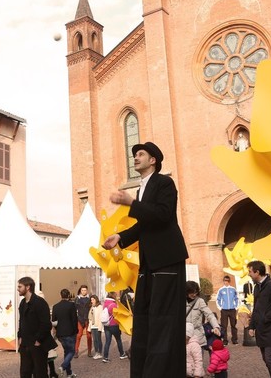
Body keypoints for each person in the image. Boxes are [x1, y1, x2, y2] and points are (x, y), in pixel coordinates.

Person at [104, 141, 189, 377]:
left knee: (164, 320)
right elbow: (144, 225)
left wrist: (132, 203)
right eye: (134, 155)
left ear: (153, 160)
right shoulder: (142, 189)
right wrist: (119, 237)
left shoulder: (164, 183)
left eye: (140, 154)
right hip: (149, 263)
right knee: (144, 317)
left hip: (167, 260)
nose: (135, 157)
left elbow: (163, 215)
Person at [247, 261, 271, 378]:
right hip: (261, 330)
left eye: (250, 271)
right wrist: (251, 326)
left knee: (270, 359)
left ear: (257, 272)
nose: (248, 274)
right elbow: (256, 308)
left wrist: (265, 318)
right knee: (266, 359)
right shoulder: (256, 288)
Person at [18, 277, 57, 378]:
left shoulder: (40, 302)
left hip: (37, 345)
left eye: (19, 286)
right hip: (25, 344)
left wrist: (38, 340)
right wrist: (20, 336)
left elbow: (46, 324)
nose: (17, 289)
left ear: (28, 287)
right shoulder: (22, 303)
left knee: (39, 373)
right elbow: (21, 321)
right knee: (25, 372)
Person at [185, 281, 220, 354]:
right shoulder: (180, 301)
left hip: (197, 336)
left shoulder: (200, 301)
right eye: (192, 292)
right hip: (185, 337)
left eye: (196, 292)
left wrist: (216, 326)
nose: (194, 295)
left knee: (198, 362)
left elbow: (209, 315)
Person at [52, 288, 78, 378]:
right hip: (70, 332)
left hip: (60, 333)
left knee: (67, 352)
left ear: (60, 295)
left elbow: (53, 321)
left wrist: (56, 329)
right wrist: (76, 331)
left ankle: (69, 373)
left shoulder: (55, 306)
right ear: (68, 295)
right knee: (71, 351)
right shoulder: (71, 305)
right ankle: (62, 367)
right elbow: (74, 319)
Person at [101, 291, 127, 363]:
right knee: (118, 339)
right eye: (115, 294)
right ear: (113, 295)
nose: (116, 295)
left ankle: (105, 357)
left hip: (107, 325)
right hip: (114, 325)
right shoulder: (113, 305)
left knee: (107, 342)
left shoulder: (105, 303)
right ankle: (122, 354)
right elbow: (117, 315)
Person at [216, 275, 239, 345]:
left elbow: (237, 298)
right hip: (224, 310)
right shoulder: (221, 290)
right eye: (225, 281)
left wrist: (236, 307)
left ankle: (234, 340)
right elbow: (218, 299)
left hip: (232, 310)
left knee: (233, 325)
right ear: (223, 281)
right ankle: (225, 341)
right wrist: (220, 308)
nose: (226, 282)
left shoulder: (233, 289)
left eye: (227, 281)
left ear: (229, 281)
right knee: (224, 326)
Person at [74, 284, 92, 358]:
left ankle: (89, 352)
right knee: (78, 336)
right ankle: (76, 351)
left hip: (88, 319)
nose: (84, 291)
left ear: (87, 291)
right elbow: (74, 310)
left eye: (85, 290)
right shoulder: (77, 299)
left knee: (89, 336)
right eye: (82, 290)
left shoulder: (90, 298)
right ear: (80, 290)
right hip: (80, 319)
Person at [88, 295, 104, 360]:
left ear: (96, 300)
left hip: (98, 326)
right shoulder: (92, 307)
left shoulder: (100, 307)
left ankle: (99, 353)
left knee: (98, 339)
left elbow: (101, 318)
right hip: (93, 326)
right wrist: (89, 327)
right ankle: (96, 352)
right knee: (94, 340)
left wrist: (100, 327)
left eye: (93, 300)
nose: (92, 301)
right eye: (91, 300)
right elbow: (90, 318)